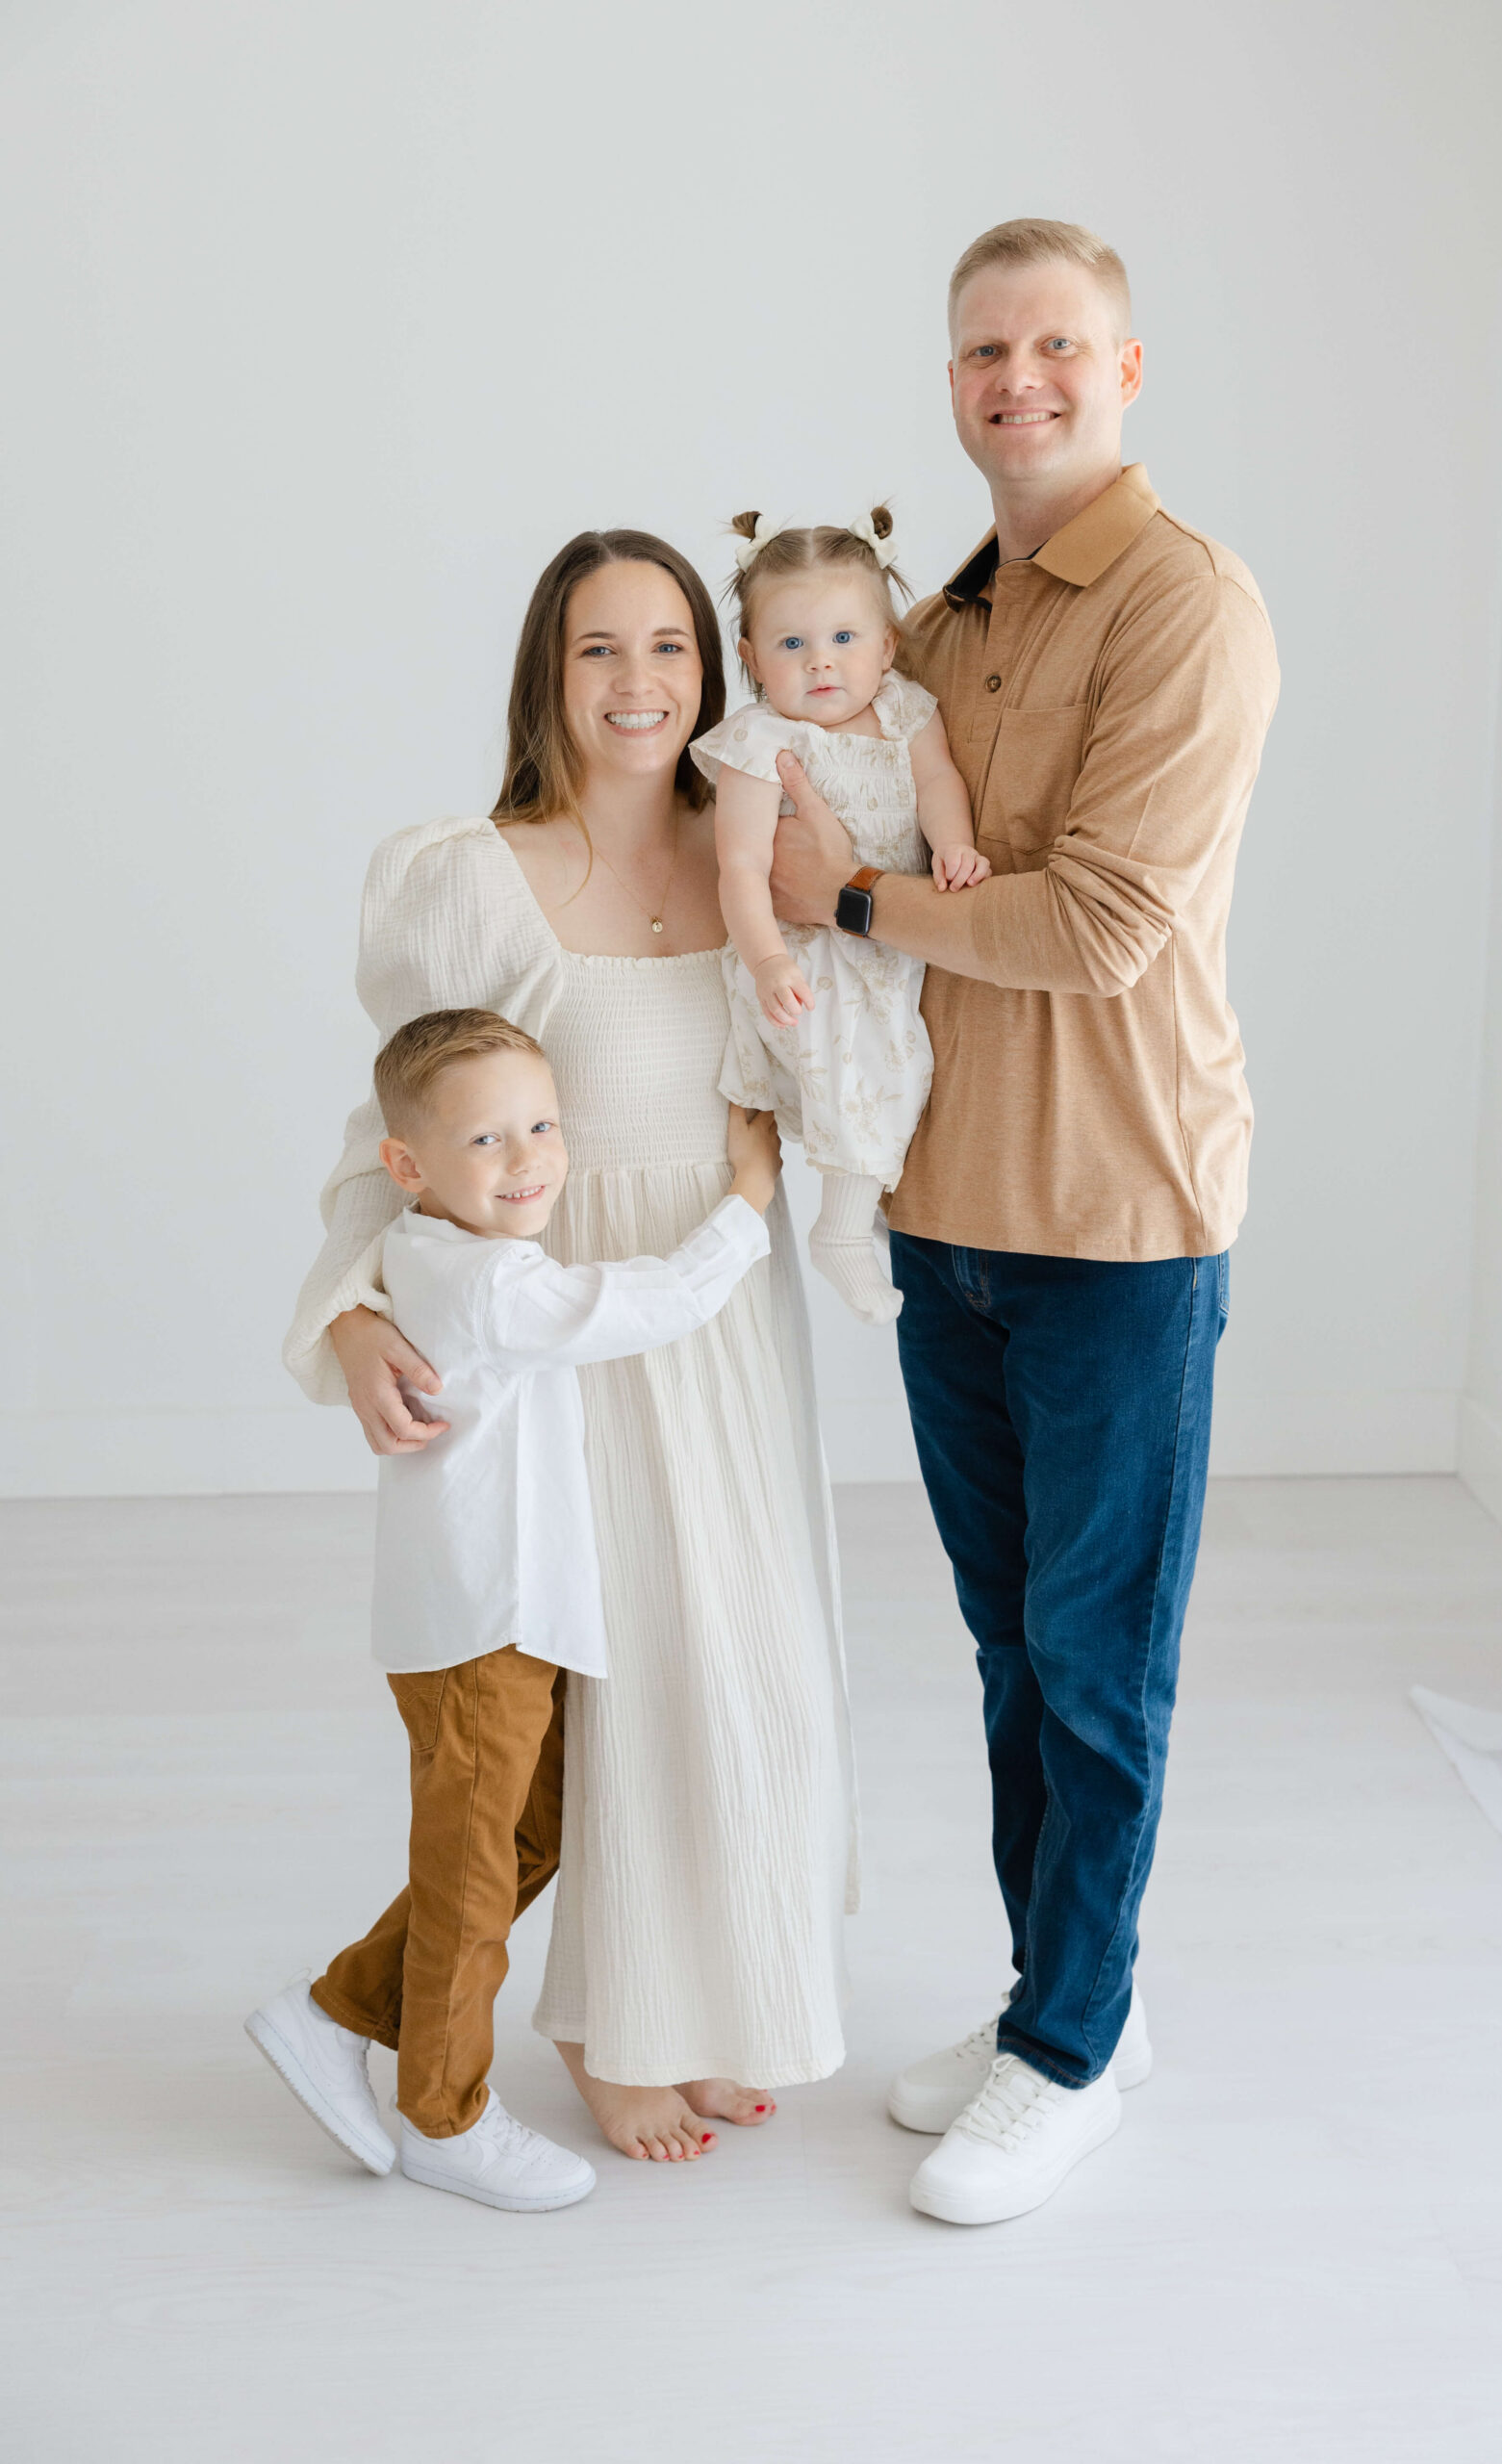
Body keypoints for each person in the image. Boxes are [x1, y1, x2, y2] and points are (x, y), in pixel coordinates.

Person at [768, 218, 1281, 2224]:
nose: (1018, 381)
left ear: (1126, 365)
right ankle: (1059, 1999)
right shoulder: (943, 618)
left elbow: (1091, 919)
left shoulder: (1183, 603)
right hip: (945, 1208)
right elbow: (815, 780)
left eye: (1056, 345)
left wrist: (853, 906)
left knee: (1092, 1662)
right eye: (985, 350)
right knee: (1002, 1651)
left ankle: (1071, 2049)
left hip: (1115, 1211)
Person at [282, 531, 854, 2167]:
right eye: (599, 649)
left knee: (753, 1672)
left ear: (711, 668)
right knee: (623, 1690)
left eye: (669, 647)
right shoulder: (472, 872)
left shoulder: (758, 847)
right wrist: (351, 1305)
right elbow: (390, 1122)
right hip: (570, 1329)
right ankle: (611, 2030)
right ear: (550, 670)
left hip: (725, 1313)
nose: (637, 684)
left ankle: (725, 1990)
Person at [248, 1010, 779, 2210]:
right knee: (479, 1876)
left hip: (508, 1623)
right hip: (482, 1627)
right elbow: (637, 1307)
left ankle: (336, 2010)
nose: (529, 1158)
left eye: (543, 1125)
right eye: (486, 1138)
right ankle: (444, 2112)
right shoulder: (485, 1278)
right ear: (409, 1166)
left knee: (521, 1842)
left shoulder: (434, 1248)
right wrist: (746, 1205)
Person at [693, 505, 987, 1324]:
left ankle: (871, 1214)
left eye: (844, 640)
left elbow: (937, 787)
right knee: (866, 1077)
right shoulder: (760, 741)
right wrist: (767, 962)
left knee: (909, 1077)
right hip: (807, 957)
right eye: (791, 645)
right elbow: (741, 867)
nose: (820, 663)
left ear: (886, 646)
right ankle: (842, 1231)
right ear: (750, 658)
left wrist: (954, 844)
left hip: (888, 943)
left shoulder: (906, 710)